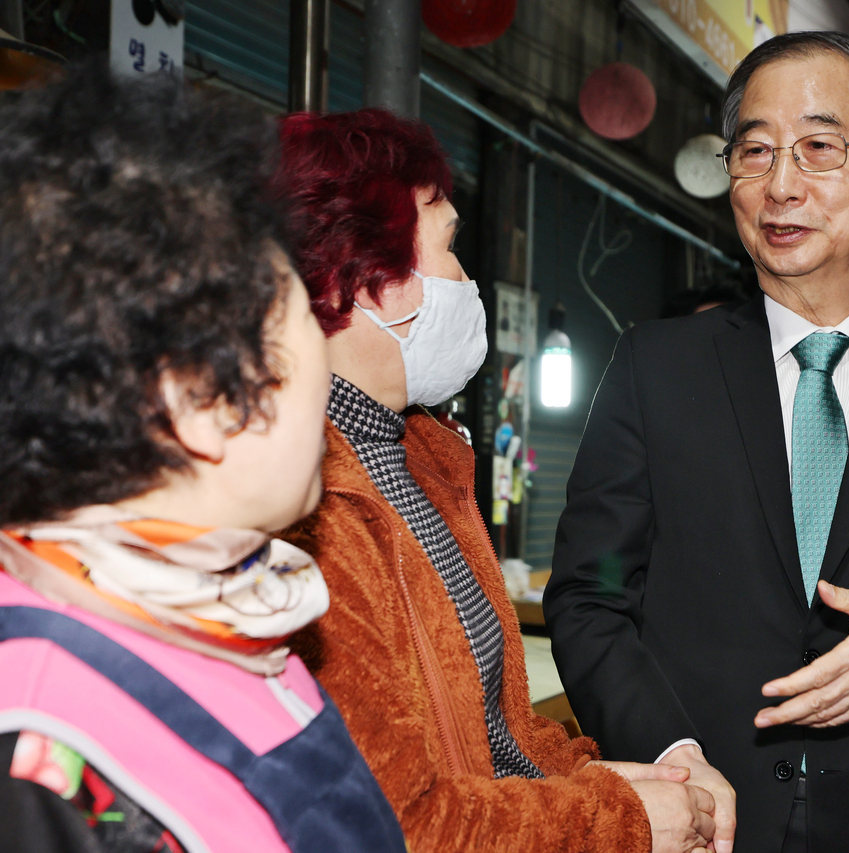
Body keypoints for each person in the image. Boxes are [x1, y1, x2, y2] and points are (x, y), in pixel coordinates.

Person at [0, 65, 403, 853]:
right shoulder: (18, 778)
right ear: (198, 399)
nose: (324, 362)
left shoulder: (221, 619)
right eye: (302, 324)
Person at [545, 31, 849, 853]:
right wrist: (671, 753)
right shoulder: (654, 366)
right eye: (755, 151)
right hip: (702, 817)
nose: (781, 185)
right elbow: (590, 593)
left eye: (819, 147)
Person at [273, 109, 715, 853]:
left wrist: (623, 779)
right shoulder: (302, 503)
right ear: (370, 280)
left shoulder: (421, 457)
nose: (464, 279)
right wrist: (622, 819)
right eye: (450, 246)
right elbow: (393, 821)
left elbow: (500, 735)